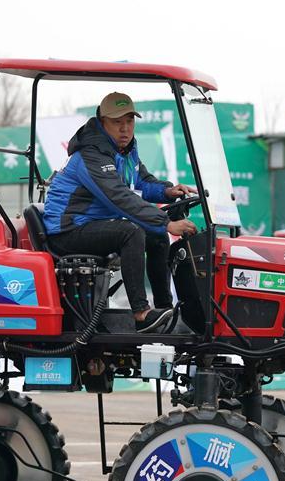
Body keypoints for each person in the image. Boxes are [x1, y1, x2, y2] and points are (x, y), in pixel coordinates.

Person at [42, 92, 197, 332]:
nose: (125, 129)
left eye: (129, 121)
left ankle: (164, 309)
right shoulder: (91, 153)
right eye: (117, 122)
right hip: (68, 230)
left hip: (92, 225)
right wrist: (165, 222)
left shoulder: (125, 150)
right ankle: (141, 313)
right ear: (102, 122)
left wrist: (168, 191)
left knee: (155, 236)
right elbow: (119, 196)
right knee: (131, 231)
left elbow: (141, 181)